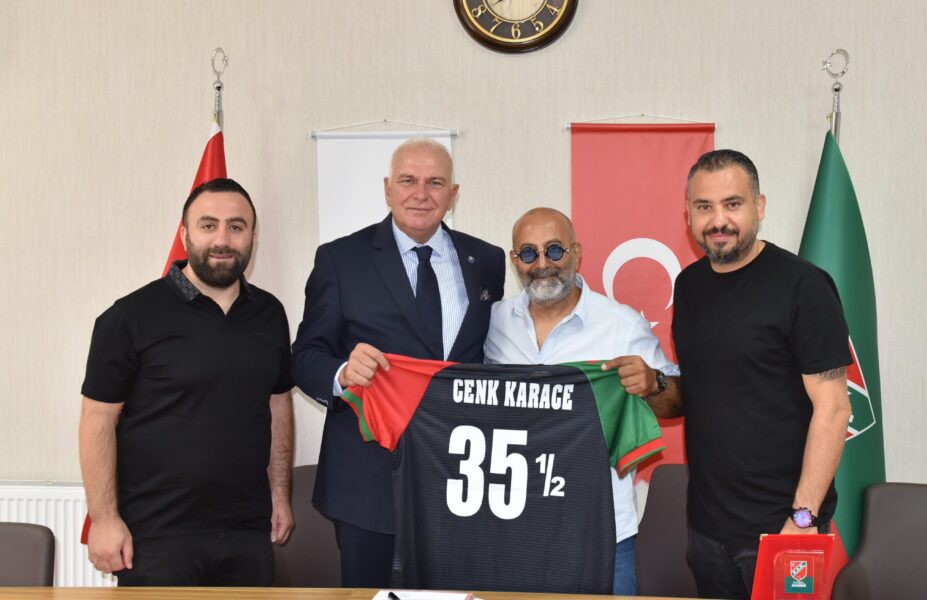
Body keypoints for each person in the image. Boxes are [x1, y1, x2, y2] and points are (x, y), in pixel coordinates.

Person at [291, 138, 506, 587]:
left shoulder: (486, 260)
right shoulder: (340, 259)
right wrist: (342, 373)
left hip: (461, 480)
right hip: (368, 485)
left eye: (435, 183)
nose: (420, 194)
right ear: (388, 189)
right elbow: (305, 358)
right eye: (408, 180)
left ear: (453, 193)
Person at [78, 178, 294, 586]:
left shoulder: (270, 314)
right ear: (185, 235)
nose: (222, 239)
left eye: (236, 226)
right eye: (208, 225)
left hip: (248, 533)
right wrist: (104, 519)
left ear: (253, 236)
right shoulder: (130, 317)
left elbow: (278, 404)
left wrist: (280, 495)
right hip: (156, 537)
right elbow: (97, 418)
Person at [671, 149, 853, 599]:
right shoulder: (688, 286)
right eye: (704, 206)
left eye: (732, 204)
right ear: (688, 214)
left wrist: (803, 519)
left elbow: (834, 409)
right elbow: (707, 389)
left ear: (760, 206)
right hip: (707, 531)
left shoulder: (804, 286)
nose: (718, 220)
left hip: (783, 527)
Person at [484, 207, 681, 595]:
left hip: (601, 534)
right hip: (515, 530)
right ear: (515, 260)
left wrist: (653, 383)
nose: (543, 264)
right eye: (529, 253)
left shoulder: (620, 324)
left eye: (554, 250)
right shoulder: (494, 323)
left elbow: (678, 401)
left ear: (576, 253)